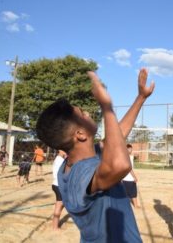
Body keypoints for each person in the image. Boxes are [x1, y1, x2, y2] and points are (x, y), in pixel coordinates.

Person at [35, 68, 154, 242]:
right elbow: (120, 165)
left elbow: (117, 137)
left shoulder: (73, 163)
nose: (88, 113)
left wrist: (141, 98)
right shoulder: (79, 174)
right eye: (83, 114)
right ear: (80, 134)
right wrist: (106, 107)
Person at [52, 150, 67, 230]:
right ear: (60, 150)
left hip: (56, 184)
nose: (66, 151)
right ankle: (55, 227)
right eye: (64, 150)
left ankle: (55, 223)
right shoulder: (61, 160)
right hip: (58, 185)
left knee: (61, 205)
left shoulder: (58, 159)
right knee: (59, 205)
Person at [122, 144, 140, 208]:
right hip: (128, 178)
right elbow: (129, 169)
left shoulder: (129, 156)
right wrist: (134, 177)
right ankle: (135, 205)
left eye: (131, 149)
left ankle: (135, 205)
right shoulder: (126, 157)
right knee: (132, 193)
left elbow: (135, 155)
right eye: (129, 149)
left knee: (129, 193)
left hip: (126, 179)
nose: (130, 150)